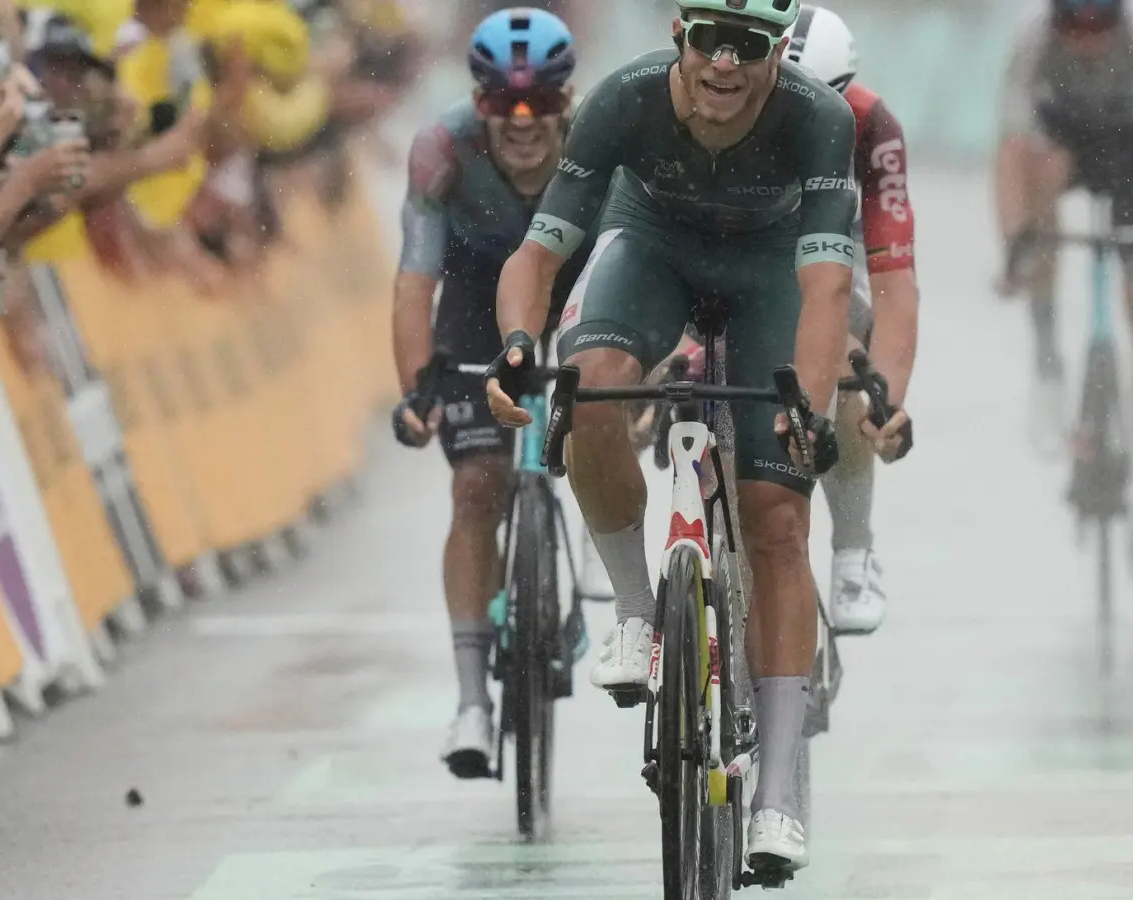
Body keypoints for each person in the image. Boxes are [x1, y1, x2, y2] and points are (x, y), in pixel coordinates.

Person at [486, 0, 854, 872]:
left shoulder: (818, 117)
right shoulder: (626, 100)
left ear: (778, 49)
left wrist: (806, 404)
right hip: (651, 248)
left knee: (778, 519)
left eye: (751, 44)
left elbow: (827, 285)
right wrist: (513, 350)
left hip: (772, 271)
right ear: (679, 36)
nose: (726, 64)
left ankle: (779, 796)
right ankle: (639, 614)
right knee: (591, 392)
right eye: (708, 40)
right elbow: (539, 255)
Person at [389, 6, 582, 780]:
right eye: (504, 102)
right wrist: (418, 387)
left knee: (610, 417)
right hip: (471, 304)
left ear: (570, 100)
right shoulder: (441, 151)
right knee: (476, 490)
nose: (525, 120)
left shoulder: (599, 147)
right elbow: (414, 282)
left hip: (575, 294)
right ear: (478, 102)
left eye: (541, 103)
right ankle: (472, 701)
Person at [996, 0, 1133, 578]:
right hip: (1060, 146)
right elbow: (1009, 149)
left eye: (1098, 28)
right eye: (1072, 28)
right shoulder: (1032, 37)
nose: (1085, 42)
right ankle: (1048, 362)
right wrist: (1016, 245)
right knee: (1040, 182)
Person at [781, 3, 917, 634]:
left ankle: (853, 549)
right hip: (748, 241)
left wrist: (885, 398)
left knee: (844, 361)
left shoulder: (872, 123)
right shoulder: (719, 97)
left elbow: (894, 283)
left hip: (843, 245)